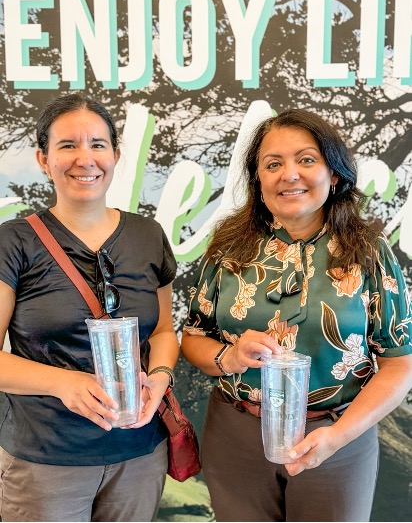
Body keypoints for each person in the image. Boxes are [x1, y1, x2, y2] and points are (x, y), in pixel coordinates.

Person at [181, 108, 412, 522]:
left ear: (334, 174)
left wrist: (337, 438)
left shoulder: (370, 251)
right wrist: (228, 357)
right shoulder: (228, 247)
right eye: (273, 164)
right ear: (259, 181)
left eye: (306, 159)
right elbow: (193, 336)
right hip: (237, 435)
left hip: (338, 435)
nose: (289, 174)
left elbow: (399, 365)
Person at [0, 94, 180, 522]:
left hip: (138, 454)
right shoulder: (14, 241)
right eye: (68, 146)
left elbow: (163, 333)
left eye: (98, 144)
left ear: (116, 155)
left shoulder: (147, 235)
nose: (86, 158)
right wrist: (65, 383)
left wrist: (159, 377)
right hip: (46, 460)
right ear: (44, 159)